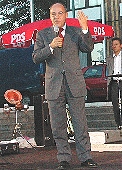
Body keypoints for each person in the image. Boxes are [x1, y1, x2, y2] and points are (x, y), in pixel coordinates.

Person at [32, 3, 97, 169]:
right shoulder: (43, 34)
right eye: (53, 14)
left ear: (66, 15)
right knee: (57, 125)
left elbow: (88, 47)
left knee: (80, 123)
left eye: (60, 13)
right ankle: (63, 159)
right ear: (50, 15)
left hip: (74, 83)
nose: (56, 16)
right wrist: (50, 47)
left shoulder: (75, 32)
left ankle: (86, 157)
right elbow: (36, 57)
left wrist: (84, 29)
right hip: (54, 85)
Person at [106, 37, 122, 130]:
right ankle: (118, 123)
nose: (114, 46)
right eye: (113, 45)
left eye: (116, 44)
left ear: (120, 45)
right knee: (115, 103)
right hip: (114, 81)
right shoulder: (109, 58)